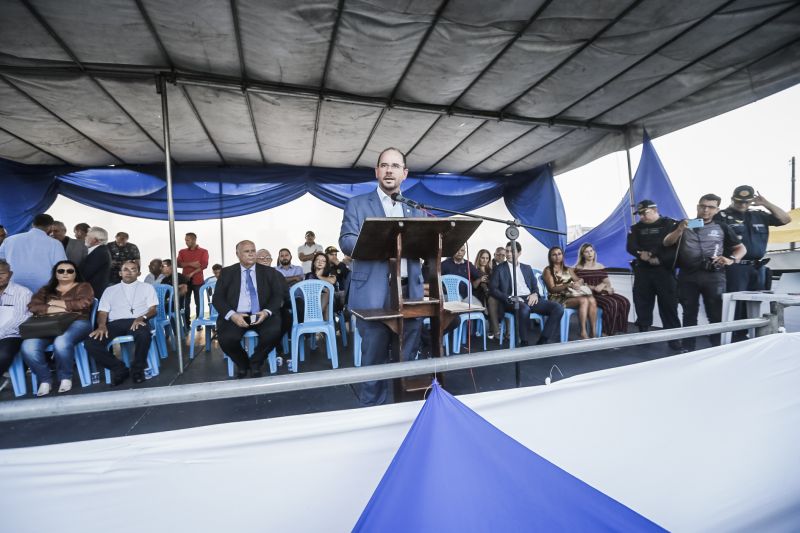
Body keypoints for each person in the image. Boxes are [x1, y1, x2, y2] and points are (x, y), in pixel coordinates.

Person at [339, 147, 427, 406]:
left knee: (407, 360)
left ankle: (403, 410)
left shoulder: (415, 208)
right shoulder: (357, 204)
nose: (389, 170)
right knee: (374, 361)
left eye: (395, 166)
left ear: (404, 173)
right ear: (377, 171)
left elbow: (427, 244)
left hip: (410, 294)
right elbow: (346, 241)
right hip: (373, 294)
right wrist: (380, 243)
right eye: (384, 165)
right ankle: (372, 412)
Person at [664, 194, 746, 351]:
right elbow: (667, 242)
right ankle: (688, 348)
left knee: (715, 314)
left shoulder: (722, 227)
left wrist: (731, 259)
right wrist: (680, 229)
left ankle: (716, 348)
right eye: (703, 206)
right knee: (689, 313)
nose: (706, 210)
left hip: (714, 275)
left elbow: (741, 248)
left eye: (710, 207)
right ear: (697, 206)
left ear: (717, 210)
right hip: (688, 274)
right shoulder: (684, 224)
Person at [714, 185, 791, 341]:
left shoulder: (759, 215)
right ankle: (734, 338)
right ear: (732, 199)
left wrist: (766, 203)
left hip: (758, 267)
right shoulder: (722, 216)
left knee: (755, 305)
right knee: (735, 305)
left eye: (747, 202)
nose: (743, 204)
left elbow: (786, 219)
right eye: (739, 201)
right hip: (735, 267)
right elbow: (700, 224)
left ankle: (749, 337)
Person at [212, 240, 285, 378]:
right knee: (226, 338)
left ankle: (256, 362)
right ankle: (243, 364)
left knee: (273, 333)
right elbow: (218, 298)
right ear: (238, 254)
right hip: (238, 315)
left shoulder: (269, 272)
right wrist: (233, 315)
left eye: (253, 251)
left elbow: (277, 295)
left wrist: (266, 312)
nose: (251, 254)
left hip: (261, 313)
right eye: (247, 251)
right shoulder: (227, 272)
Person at [21, 261, 94, 396]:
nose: (65, 273)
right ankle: (45, 379)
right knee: (28, 346)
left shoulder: (83, 286)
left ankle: (65, 377)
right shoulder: (46, 290)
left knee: (61, 342)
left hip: (77, 322)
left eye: (70, 271)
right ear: (55, 274)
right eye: (61, 271)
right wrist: (55, 308)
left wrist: (55, 303)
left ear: (75, 273)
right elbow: (33, 306)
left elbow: (83, 304)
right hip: (48, 325)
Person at [84, 261, 157, 385]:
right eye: (125, 269)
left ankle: (137, 370)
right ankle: (119, 369)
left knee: (144, 335)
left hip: (138, 321)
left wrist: (142, 317)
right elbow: (103, 312)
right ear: (120, 273)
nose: (129, 272)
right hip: (115, 323)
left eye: (133, 269)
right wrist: (101, 326)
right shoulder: (110, 290)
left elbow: (153, 310)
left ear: (139, 273)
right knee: (91, 342)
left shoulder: (147, 287)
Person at [626, 200, 683, 351]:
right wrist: (641, 254)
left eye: (645, 213)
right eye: (639, 214)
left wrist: (659, 258)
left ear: (655, 210)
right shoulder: (636, 228)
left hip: (664, 270)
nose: (642, 216)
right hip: (643, 270)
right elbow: (631, 246)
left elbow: (675, 245)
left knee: (669, 305)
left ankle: (674, 338)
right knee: (642, 304)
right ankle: (644, 334)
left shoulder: (670, 224)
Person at [489, 242, 563, 346]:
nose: (508, 254)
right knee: (524, 309)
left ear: (519, 253)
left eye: (512, 251)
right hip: (511, 300)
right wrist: (510, 297)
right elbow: (493, 289)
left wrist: (535, 294)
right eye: (507, 251)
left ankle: (543, 340)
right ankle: (524, 342)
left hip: (529, 298)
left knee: (558, 308)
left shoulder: (527, 268)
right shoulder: (499, 268)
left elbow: (534, 286)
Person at [573, 243, 631, 336]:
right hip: (590, 295)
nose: (590, 253)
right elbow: (579, 285)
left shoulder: (600, 266)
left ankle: (619, 330)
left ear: (594, 252)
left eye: (591, 251)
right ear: (582, 254)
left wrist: (604, 286)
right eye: (586, 252)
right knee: (612, 303)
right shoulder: (578, 268)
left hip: (602, 292)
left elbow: (607, 283)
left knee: (625, 301)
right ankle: (606, 332)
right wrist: (594, 287)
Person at [0, 213, 67, 293]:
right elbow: (62, 267)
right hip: (42, 289)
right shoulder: (55, 244)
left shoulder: (10, 240)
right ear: (50, 227)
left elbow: (1, 261)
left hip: (13, 286)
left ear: (32, 224)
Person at [543, 246, 598, 340]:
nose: (557, 256)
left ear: (562, 255)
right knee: (584, 300)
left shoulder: (568, 269)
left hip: (570, 295)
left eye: (559, 254)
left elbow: (579, 280)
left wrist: (578, 283)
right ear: (550, 257)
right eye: (554, 255)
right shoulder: (548, 270)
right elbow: (552, 289)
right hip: (557, 298)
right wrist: (568, 285)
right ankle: (583, 332)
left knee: (592, 300)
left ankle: (593, 332)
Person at [0, 260, 32, 386]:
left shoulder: (23, 292)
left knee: (3, 354)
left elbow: (20, 318)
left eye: (2, 273)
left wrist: (1, 333)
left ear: (10, 274)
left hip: (12, 335)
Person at [177, 232, 209, 325]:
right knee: (185, 303)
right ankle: (187, 324)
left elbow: (204, 265)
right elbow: (178, 264)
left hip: (198, 281)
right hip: (185, 282)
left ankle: (199, 323)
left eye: (188, 240)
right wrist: (192, 264)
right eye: (185, 240)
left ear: (194, 240)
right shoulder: (182, 252)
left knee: (199, 303)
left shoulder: (203, 251)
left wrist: (191, 273)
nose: (186, 242)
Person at [80, 226, 112, 299]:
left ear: (95, 240)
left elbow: (85, 274)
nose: (85, 238)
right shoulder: (100, 250)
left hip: (92, 293)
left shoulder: (100, 253)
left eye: (87, 236)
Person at [325, 245, 350, 312]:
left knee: (346, 296)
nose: (334, 257)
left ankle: (345, 316)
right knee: (330, 298)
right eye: (331, 255)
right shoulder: (323, 266)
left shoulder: (340, 265)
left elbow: (348, 275)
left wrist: (338, 263)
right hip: (328, 293)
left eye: (335, 255)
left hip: (340, 292)